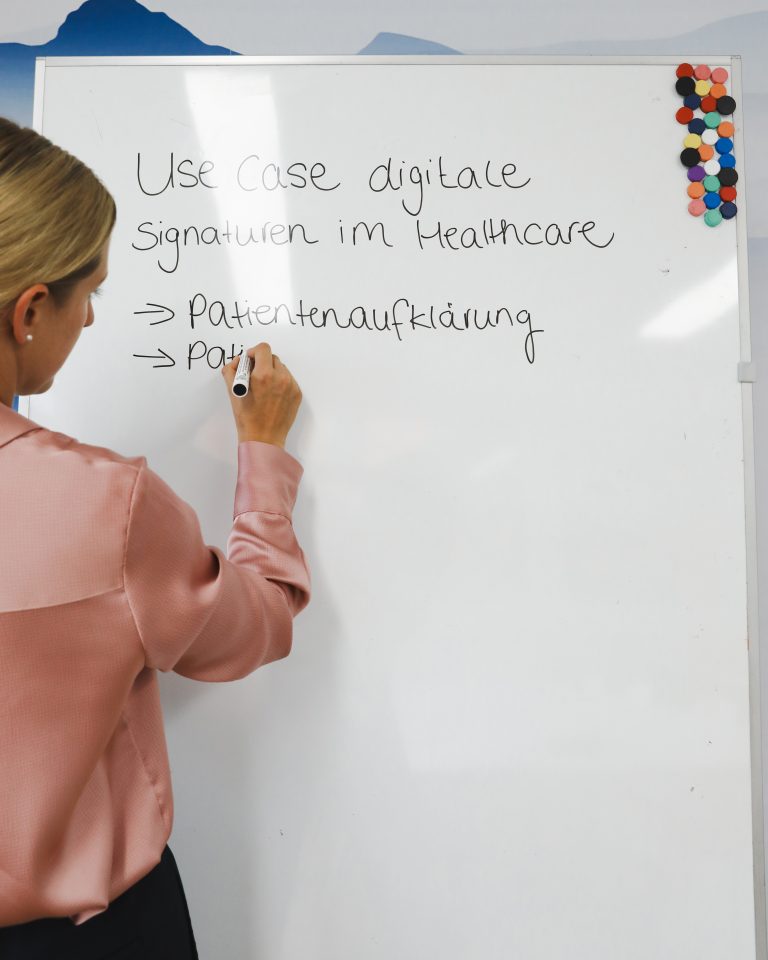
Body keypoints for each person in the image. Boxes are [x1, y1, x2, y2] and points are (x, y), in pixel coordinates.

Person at [0, 117, 311, 959]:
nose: (93, 319)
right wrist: (263, 456)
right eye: (89, 292)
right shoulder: (109, 506)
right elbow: (260, 622)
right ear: (31, 309)